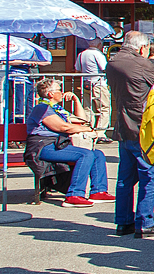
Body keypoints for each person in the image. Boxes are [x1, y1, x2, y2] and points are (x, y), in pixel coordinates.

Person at [106, 31, 154, 238]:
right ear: (142, 49)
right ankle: (145, 222)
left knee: (125, 178)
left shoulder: (113, 61)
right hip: (142, 127)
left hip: (123, 127)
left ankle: (123, 222)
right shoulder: (140, 64)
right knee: (149, 177)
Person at [24, 78, 111, 207]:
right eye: (59, 90)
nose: (62, 92)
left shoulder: (57, 109)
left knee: (97, 154)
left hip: (57, 145)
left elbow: (81, 120)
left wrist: (76, 100)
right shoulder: (42, 108)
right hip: (43, 147)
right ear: (51, 94)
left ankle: (99, 191)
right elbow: (63, 127)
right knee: (85, 155)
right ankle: (74, 195)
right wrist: (86, 129)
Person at [75, 38, 111, 131]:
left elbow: (77, 69)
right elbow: (104, 68)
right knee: (104, 108)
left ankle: (88, 129)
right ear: (99, 44)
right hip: (98, 83)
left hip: (85, 83)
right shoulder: (98, 54)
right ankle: (100, 131)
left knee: (87, 108)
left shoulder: (81, 54)